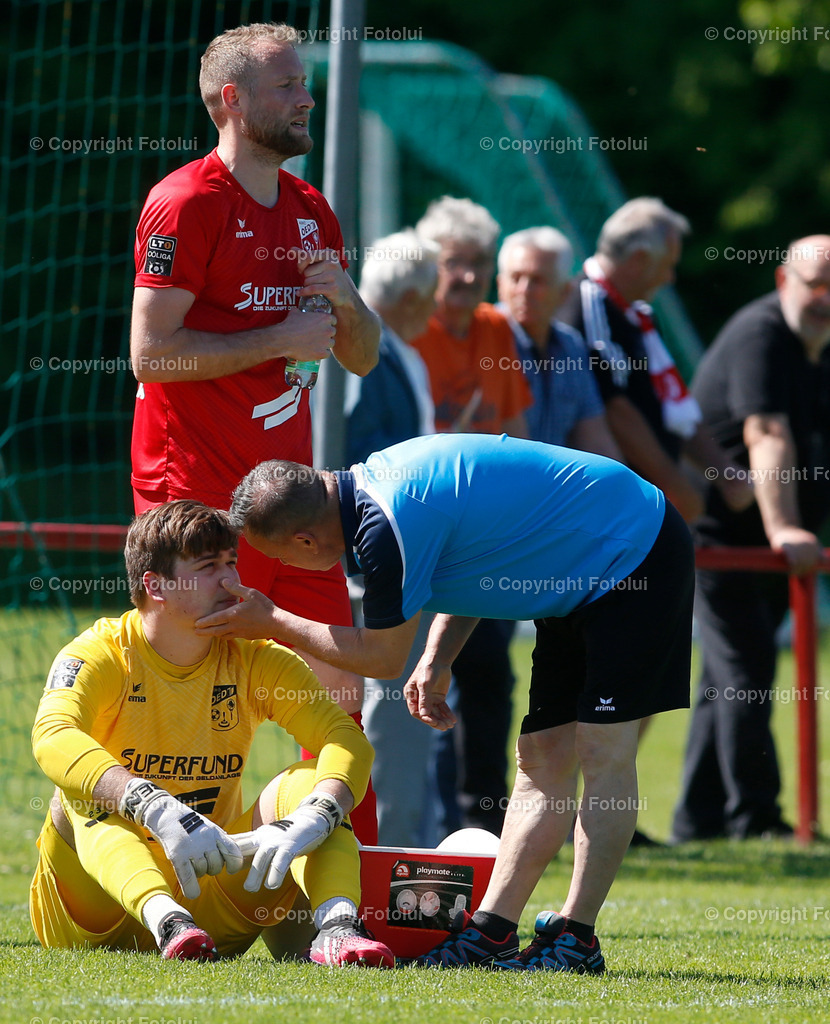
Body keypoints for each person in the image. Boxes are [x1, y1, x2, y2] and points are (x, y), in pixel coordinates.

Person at [198, 433, 695, 972]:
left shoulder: (385, 523)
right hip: (581, 568)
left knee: (602, 749)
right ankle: (492, 931)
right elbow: (480, 555)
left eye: (280, 556)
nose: (284, 565)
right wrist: (437, 656)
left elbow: (381, 657)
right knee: (542, 756)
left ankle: (577, 938)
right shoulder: (373, 493)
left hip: (635, 552)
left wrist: (271, 620)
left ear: (306, 540)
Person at [128, 22, 379, 841]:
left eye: (304, 82)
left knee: (341, 702)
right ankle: (160, 875)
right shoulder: (186, 201)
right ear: (233, 100)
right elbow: (149, 355)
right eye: (287, 85)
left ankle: (352, 891)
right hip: (194, 499)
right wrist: (278, 338)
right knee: (187, 708)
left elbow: (363, 355)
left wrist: (344, 299)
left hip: (288, 506)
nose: (307, 98)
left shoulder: (311, 210)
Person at [29, 500, 392, 968]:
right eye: (208, 567)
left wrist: (323, 811)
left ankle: (339, 929)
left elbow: (344, 736)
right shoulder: (102, 652)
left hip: (213, 910)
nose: (231, 581)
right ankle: (166, 919)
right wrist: (152, 805)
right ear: (155, 585)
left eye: (231, 563)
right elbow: (52, 734)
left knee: (310, 783)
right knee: (77, 794)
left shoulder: (254, 657)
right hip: (93, 919)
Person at [671, 237, 830, 842]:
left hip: (764, 546)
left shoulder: (817, 347)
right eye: (817, 285)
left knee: (726, 677)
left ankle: (699, 821)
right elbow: (766, 432)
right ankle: (757, 817)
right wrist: (784, 528)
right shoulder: (761, 334)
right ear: (784, 280)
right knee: (748, 668)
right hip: (719, 539)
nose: (826, 300)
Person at [411, 196, 532, 837]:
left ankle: (485, 827)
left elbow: (516, 428)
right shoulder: (408, 330)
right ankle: (427, 828)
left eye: (479, 262)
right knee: (423, 683)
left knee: (490, 678)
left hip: (489, 536)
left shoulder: (494, 329)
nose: (467, 276)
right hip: (425, 535)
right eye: (454, 262)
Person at [558, 197, 752, 521]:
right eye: (667, 265)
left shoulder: (637, 315)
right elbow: (614, 409)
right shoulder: (588, 306)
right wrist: (675, 488)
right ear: (639, 259)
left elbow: (669, 403)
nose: (669, 278)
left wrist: (723, 471)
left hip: (644, 501)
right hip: (611, 506)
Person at [344, 229, 440, 846]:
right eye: (430, 299)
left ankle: (398, 851)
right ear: (410, 299)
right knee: (391, 715)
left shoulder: (394, 353)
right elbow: (356, 457)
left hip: (391, 560)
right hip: (376, 566)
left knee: (400, 718)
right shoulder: (366, 356)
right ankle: (383, 860)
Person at [496, 226, 621, 458]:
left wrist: (620, 479)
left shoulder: (571, 346)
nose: (524, 290)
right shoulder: (486, 340)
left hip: (552, 480)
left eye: (537, 280)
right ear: (499, 285)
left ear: (564, 292)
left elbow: (595, 440)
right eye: (515, 278)